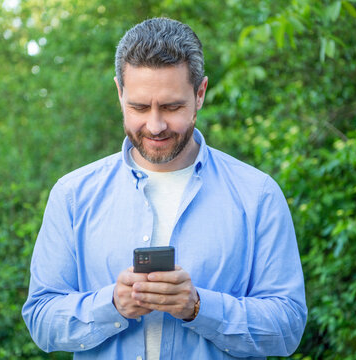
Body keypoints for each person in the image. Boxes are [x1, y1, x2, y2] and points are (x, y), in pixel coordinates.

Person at [22, 18, 307, 360]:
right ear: (119, 93)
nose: (155, 126)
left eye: (172, 107)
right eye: (139, 107)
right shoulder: (72, 195)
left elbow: (287, 329)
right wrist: (111, 305)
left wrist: (199, 307)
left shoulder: (258, 195)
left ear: (199, 94)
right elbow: (40, 320)